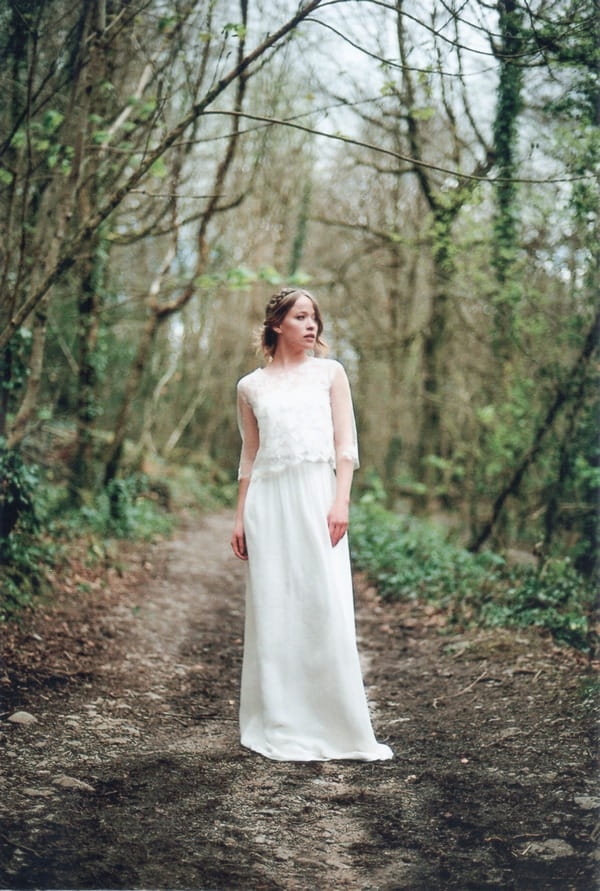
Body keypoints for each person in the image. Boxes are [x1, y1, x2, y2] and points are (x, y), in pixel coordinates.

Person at [231, 287, 392, 762]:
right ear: (277, 324)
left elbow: (347, 446)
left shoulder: (330, 374)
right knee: (275, 606)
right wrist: (239, 515)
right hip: (268, 502)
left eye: (314, 318)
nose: (311, 325)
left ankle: (336, 722)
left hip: (319, 498)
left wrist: (340, 501)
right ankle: (279, 719)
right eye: (300, 317)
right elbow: (249, 454)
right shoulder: (250, 387)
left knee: (324, 603)